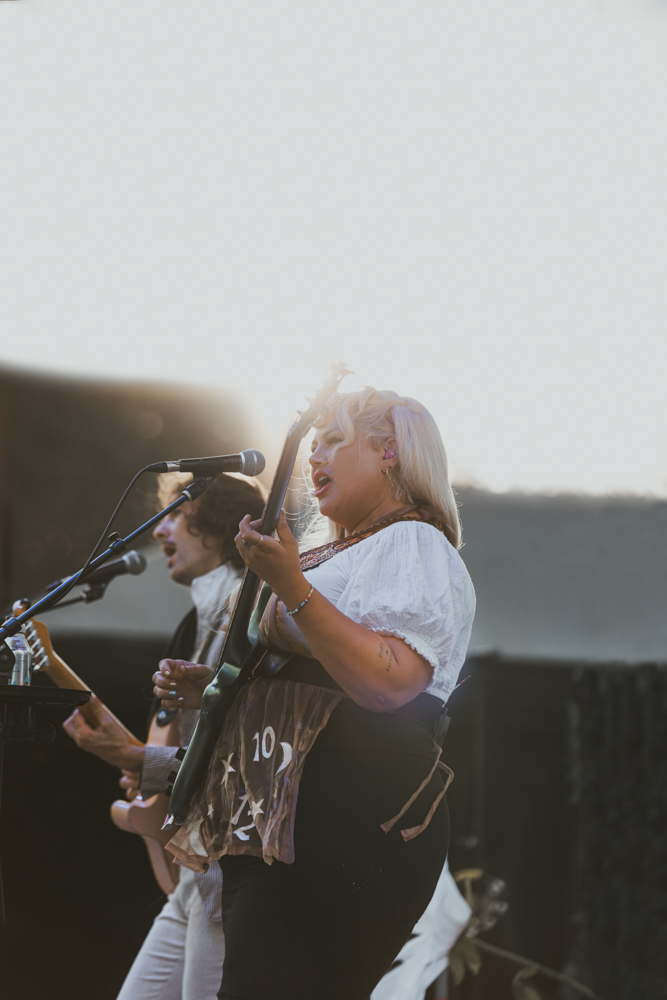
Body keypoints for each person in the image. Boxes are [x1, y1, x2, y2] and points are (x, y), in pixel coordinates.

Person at [162, 388, 476, 1000]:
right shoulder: (343, 550)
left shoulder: (411, 542)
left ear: (390, 452)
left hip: (348, 816)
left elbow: (388, 682)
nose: (314, 457)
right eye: (312, 443)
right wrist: (230, 689)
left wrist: (288, 582)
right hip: (286, 821)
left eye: (334, 439)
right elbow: (321, 668)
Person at [63, 471, 265, 1000]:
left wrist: (139, 760)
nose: (159, 530)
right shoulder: (197, 622)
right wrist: (145, 764)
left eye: (176, 514)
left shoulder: (244, 615)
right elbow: (187, 751)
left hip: (224, 868)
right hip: (194, 869)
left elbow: (240, 759)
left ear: (218, 523)